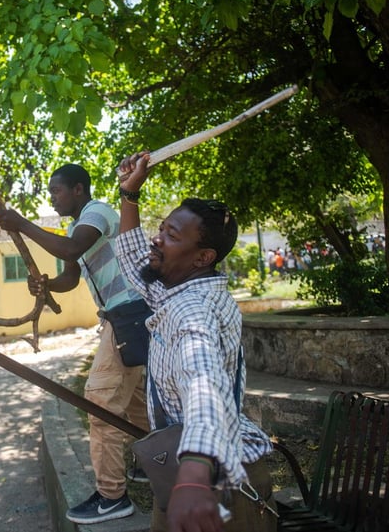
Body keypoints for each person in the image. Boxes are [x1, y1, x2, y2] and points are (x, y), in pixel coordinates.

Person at [114, 151, 277, 532]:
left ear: (203, 256)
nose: (157, 238)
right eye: (162, 227)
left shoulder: (193, 311)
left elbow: (204, 381)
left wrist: (193, 473)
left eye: (172, 235)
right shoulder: (175, 286)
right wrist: (129, 194)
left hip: (218, 492)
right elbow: (133, 257)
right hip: (190, 481)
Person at [0, 163, 150, 525]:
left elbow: (70, 249)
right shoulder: (78, 226)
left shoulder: (97, 212)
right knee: (139, 400)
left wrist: (22, 225)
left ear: (79, 190)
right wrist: (47, 285)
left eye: (57, 191)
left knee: (101, 402)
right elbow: (70, 275)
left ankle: (112, 497)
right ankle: (151, 464)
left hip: (127, 313)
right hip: (122, 316)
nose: (53, 197)